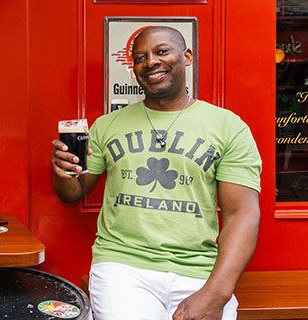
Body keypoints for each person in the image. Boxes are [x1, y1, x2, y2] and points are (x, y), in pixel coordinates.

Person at [51, 27, 261, 320]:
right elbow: (71, 194)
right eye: (140, 57)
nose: (150, 62)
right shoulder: (106, 125)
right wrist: (63, 173)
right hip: (122, 266)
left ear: (187, 57)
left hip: (198, 269)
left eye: (161, 52)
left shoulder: (228, 127)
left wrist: (216, 293)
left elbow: (243, 214)